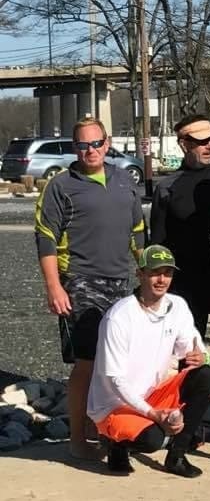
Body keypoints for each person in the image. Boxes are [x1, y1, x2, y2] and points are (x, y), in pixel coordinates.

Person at [34, 117, 145, 462]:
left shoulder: (124, 180)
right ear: (74, 147)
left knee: (116, 361)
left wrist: (147, 277)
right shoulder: (61, 185)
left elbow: (138, 232)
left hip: (120, 282)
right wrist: (54, 286)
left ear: (107, 143)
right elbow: (45, 238)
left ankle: (109, 430)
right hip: (80, 280)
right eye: (83, 145)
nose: (91, 150)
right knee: (87, 361)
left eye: (96, 143)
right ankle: (78, 437)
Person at [87, 245, 210, 477]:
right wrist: (153, 414)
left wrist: (200, 355)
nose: (162, 279)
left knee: (206, 374)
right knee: (152, 440)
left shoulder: (177, 305)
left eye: (167, 273)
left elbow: (190, 343)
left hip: (153, 393)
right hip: (115, 404)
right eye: (155, 272)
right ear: (140, 274)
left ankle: (177, 456)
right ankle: (115, 443)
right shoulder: (119, 317)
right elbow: (115, 380)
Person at [150, 112, 210, 348]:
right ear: (183, 144)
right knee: (187, 356)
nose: (208, 145)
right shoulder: (167, 187)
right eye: (200, 141)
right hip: (186, 286)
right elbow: (158, 243)